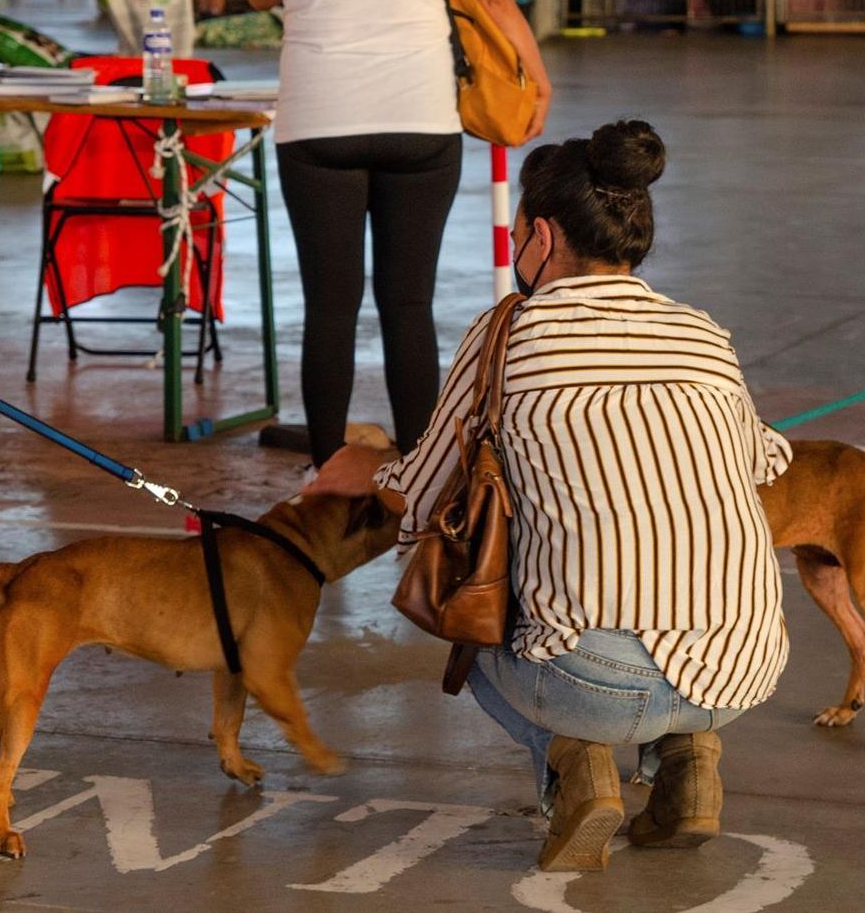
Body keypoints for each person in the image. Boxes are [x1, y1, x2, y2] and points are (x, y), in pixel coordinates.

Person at [308, 120, 789, 873]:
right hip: (744, 665)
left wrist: (360, 468)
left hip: (596, 682)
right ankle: (687, 762)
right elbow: (764, 462)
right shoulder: (702, 333)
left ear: (537, 235)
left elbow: (425, 491)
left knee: (467, 621)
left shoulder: (512, 332)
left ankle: (575, 767)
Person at [221, 0, 553, 470]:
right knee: (409, 309)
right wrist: (536, 75)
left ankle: (328, 485)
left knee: (330, 312)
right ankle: (426, 478)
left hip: (318, 122)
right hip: (419, 117)